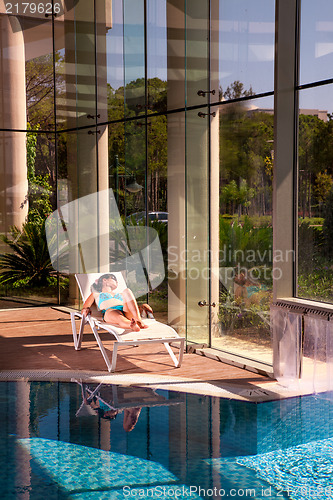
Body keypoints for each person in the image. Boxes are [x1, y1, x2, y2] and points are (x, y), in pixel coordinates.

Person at [81, 273, 152, 331]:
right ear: (104, 280)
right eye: (114, 279)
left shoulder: (121, 294)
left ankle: (138, 321)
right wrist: (85, 310)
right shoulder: (95, 294)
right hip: (110, 311)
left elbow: (132, 306)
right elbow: (85, 307)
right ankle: (132, 325)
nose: (117, 282)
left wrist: (142, 307)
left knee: (127, 291)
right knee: (119, 318)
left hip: (125, 310)